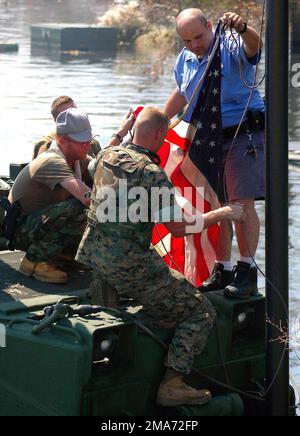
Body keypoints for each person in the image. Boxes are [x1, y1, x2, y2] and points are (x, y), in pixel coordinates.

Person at [76, 107, 245, 406]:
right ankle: (172, 383)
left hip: (94, 257)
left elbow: (94, 166)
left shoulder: (106, 156)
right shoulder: (152, 174)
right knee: (200, 311)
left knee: (122, 300)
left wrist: (121, 132)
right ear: (158, 135)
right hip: (128, 263)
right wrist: (221, 213)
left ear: (133, 131)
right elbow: (178, 229)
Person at [163, 9, 265, 299]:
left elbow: (254, 47)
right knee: (219, 205)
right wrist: (159, 120)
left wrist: (244, 28)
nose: (194, 44)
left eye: (198, 37)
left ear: (210, 26)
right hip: (208, 138)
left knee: (241, 203)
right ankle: (223, 268)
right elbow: (183, 93)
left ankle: (247, 272)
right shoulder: (185, 58)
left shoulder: (231, 44)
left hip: (241, 133)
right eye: (187, 41)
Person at [9, 107, 134, 284]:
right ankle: (34, 261)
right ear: (62, 140)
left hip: (41, 224)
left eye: (88, 140)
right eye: (81, 142)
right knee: (80, 208)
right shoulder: (51, 160)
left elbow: (101, 166)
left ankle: (63, 253)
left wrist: (123, 135)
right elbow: (87, 198)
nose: (87, 145)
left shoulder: (76, 159)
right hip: (21, 230)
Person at [33, 96, 101, 159]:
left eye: (75, 111)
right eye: (66, 115)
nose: (74, 115)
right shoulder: (44, 145)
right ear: (56, 120)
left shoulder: (92, 142)